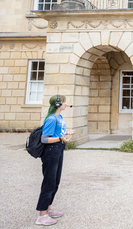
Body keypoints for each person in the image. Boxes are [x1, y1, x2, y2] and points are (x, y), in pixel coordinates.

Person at [35, 95, 75, 226]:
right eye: (63, 102)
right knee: (49, 182)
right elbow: (44, 139)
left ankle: (48, 209)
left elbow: (57, 134)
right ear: (58, 104)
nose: (65, 104)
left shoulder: (59, 117)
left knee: (55, 181)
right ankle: (41, 216)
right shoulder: (51, 119)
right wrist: (60, 139)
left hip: (58, 150)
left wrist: (66, 134)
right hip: (51, 152)